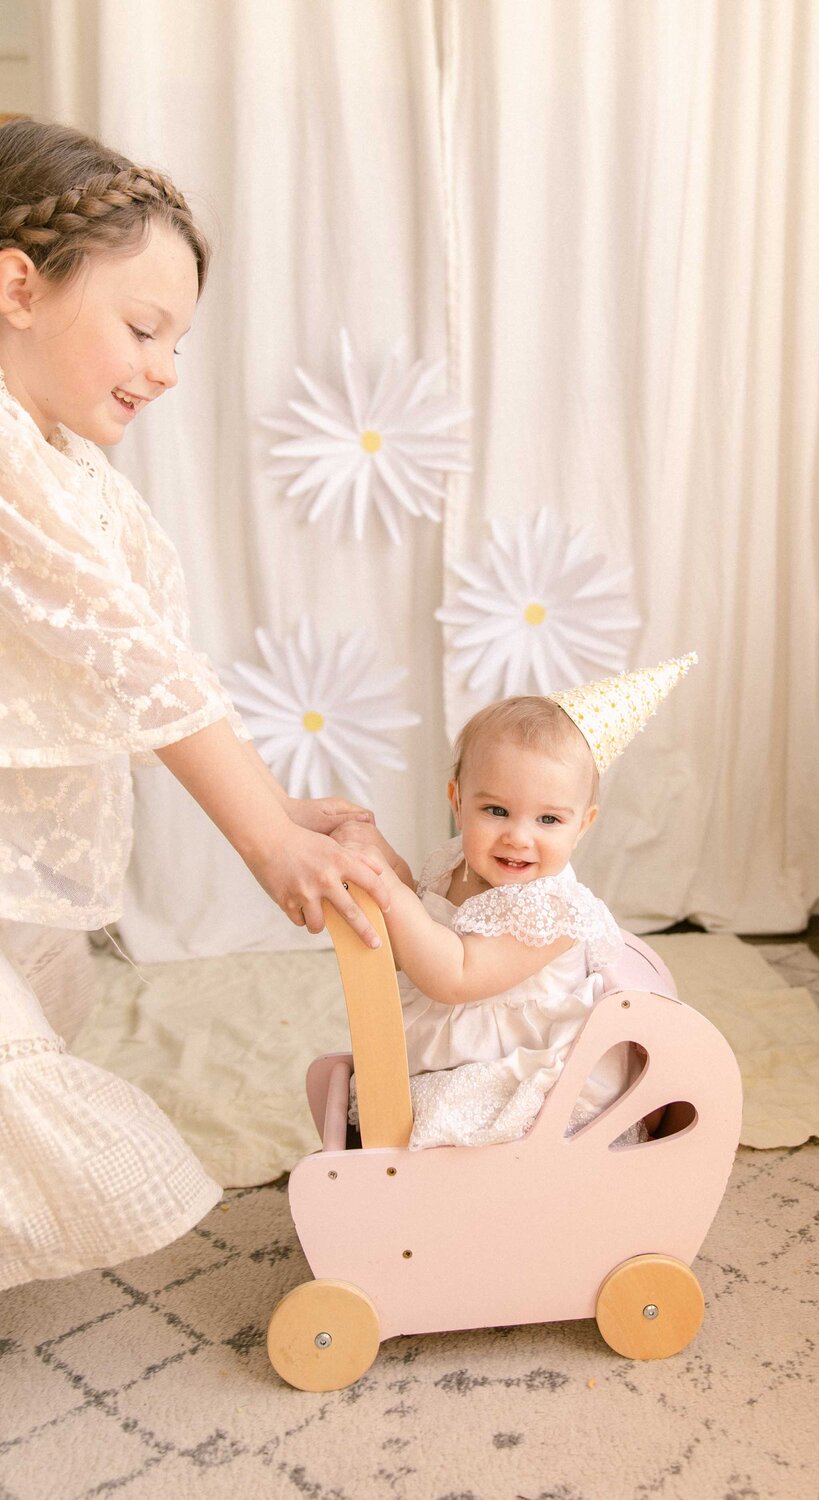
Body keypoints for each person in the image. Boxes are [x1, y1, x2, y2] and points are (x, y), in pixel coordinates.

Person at [0, 118, 391, 1292]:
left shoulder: (64, 463)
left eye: (176, 338)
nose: (167, 366)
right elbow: (130, 657)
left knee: (38, 1008)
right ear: (18, 285)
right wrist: (263, 838)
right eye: (142, 327)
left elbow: (153, 654)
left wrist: (275, 803)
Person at [341, 659, 696, 1150]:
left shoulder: (552, 911)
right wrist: (377, 850)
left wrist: (388, 891)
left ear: (583, 824)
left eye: (548, 819)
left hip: (526, 1067)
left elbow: (455, 976)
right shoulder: (456, 861)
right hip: (466, 1040)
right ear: (457, 801)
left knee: (435, 1114)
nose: (518, 837)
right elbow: (421, 919)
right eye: (496, 810)